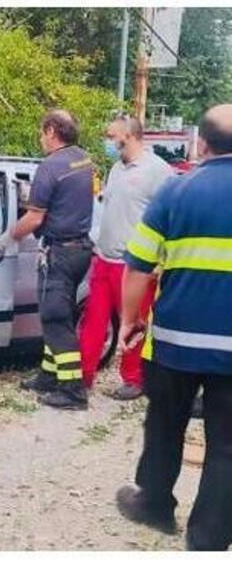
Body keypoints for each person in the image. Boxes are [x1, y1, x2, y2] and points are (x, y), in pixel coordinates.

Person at [116, 104, 232, 551]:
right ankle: (208, 540)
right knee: (226, 445)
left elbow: (139, 267)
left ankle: (155, 505)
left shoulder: (175, 191)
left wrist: (130, 320)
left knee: (164, 423)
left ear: (201, 143)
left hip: (176, 341)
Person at [0, 109, 96, 410]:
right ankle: (49, 375)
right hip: (80, 250)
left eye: (41, 132)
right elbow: (67, 197)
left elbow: (34, 219)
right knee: (58, 312)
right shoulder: (83, 159)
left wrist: (4, 239)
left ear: (51, 131)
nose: (40, 138)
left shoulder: (50, 166)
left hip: (59, 252)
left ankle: (72, 391)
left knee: (55, 319)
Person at [79, 114, 174, 400]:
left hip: (134, 266)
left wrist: (159, 262)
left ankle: (133, 378)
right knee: (93, 320)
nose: (107, 141)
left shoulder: (158, 172)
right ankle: (83, 376)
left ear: (129, 136)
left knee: (132, 323)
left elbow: (170, 218)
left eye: (111, 136)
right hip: (105, 259)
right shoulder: (116, 169)